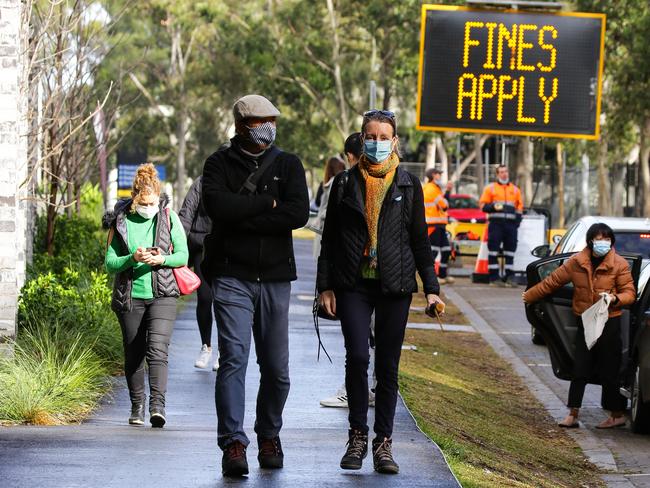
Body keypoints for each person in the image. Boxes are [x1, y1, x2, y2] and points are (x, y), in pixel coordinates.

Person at [317, 110, 444, 474]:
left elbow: (420, 241)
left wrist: (431, 290)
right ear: (362, 138)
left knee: (387, 366)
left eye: (382, 135)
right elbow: (330, 240)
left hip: (396, 285)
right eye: (369, 135)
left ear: (394, 141)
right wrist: (324, 285)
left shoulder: (408, 184)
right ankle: (357, 436)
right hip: (353, 283)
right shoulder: (344, 183)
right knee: (357, 357)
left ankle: (383, 444)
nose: (376, 141)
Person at [201, 94, 309, 477]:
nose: (270, 127)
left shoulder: (288, 164)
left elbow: (298, 213)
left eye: (273, 120)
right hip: (232, 277)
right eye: (262, 121)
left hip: (277, 279)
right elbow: (219, 209)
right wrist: (268, 206)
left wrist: (246, 215)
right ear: (242, 126)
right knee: (234, 361)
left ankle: (269, 434)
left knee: (277, 369)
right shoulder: (218, 164)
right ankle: (233, 442)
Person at [523, 223, 635, 429]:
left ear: (611, 242)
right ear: (590, 241)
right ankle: (573, 413)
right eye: (599, 239)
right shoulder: (577, 262)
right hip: (585, 320)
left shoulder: (619, 264)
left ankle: (617, 414)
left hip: (610, 321)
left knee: (610, 369)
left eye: (607, 239)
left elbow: (630, 293)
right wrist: (529, 296)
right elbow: (552, 282)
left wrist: (614, 298)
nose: (603, 243)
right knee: (580, 367)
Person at [104, 163, 189, 428]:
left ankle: (157, 406)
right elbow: (110, 262)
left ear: (159, 198)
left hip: (163, 293)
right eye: (144, 203)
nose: (148, 207)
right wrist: (133, 257)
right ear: (134, 198)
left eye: (153, 203)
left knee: (158, 351)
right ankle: (137, 406)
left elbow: (183, 256)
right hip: (130, 296)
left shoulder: (168, 217)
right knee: (134, 353)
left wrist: (162, 258)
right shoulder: (120, 223)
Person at [319, 133, 376, 409]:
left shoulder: (341, 185)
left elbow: (327, 236)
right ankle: (360, 392)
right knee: (360, 346)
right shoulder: (345, 183)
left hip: (367, 277)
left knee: (364, 344)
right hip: (355, 278)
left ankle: (359, 390)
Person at [178, 176, 217, 370]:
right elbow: (186, 213)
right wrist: (177, 243)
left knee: (226, 301)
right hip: (202, 247)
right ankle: (206, 346)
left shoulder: (239, 181)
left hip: (229, 249)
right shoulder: (202, 182)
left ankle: (226, 350)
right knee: (205, 297)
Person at [479, 165, 523, 286]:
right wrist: (493, 207)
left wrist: (516, 223)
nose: (504, 174)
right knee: (493, 251)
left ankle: (509, 277)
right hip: (496, 225)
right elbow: (483, 206)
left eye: (506, 171)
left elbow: (519, 208)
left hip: (510, 226)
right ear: (497, 174)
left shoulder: (515, 190)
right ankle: (494, 278)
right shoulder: (490, 189)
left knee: (510, 252)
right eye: (502, 172)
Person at [423, 168, 455, 285]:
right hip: (433, 225)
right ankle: (432, 277)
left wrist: (447, 191)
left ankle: (442, 275)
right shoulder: (431, 189)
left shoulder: (435, 189)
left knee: (446, 250)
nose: (440, 176)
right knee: (434, 252)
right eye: (438, 174)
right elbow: (445, 205)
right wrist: (448, 192)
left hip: (439, 224)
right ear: (433, 175)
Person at [312, 157, 346, 260]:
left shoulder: (330, 183)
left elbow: (321, 203)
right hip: (328, 227)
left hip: (324, 227)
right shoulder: (337, 182)